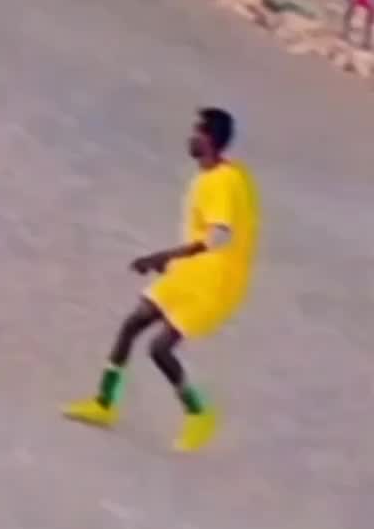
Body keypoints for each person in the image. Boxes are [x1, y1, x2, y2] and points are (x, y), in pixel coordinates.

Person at [63, 107, 259, 452]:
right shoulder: (219, 175)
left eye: (197, 132)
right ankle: (104, 403)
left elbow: (219, 237)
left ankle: (198, 412)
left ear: (210, 140)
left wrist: (162, 257)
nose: (190, 138)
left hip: (215, 283)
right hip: (192, 273)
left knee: (160, 349)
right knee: (132, 324)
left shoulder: (222, 183)